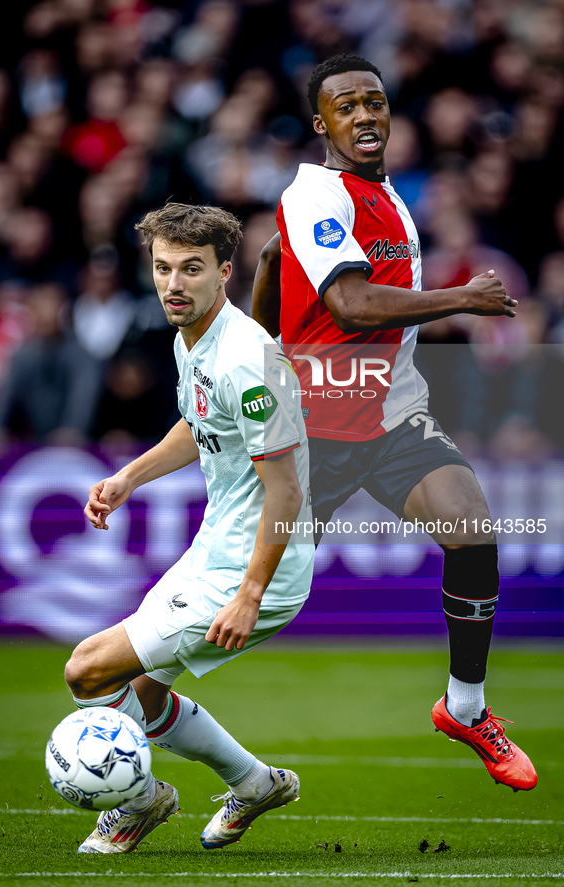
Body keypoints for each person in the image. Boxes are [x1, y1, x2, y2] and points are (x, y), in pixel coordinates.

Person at [251, 54, 537, 793]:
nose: (365, 114)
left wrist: (269, 288)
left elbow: (281, 269)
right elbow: (349, 305)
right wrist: (460, 297)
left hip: (389, 416)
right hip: (311, 433)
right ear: (322, 124)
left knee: (470, 525)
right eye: (346, 106)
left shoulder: (382, 196)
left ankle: (464, 706)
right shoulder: (318, 194)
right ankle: (137, 710)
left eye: (374, 101)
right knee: (235, 608)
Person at [65, 202, 314, 853]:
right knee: (142, 692)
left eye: (191, 269)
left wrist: (250, 592)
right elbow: (196, 422)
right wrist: (130, 477)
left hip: (253, 566)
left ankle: (140, 798)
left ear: (224, 271)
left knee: (87, 671)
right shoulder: (192, 339)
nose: (173, 283)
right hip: (216, 549)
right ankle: (255, 783)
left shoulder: (247, 360)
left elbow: (284, 489)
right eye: (162, 267)